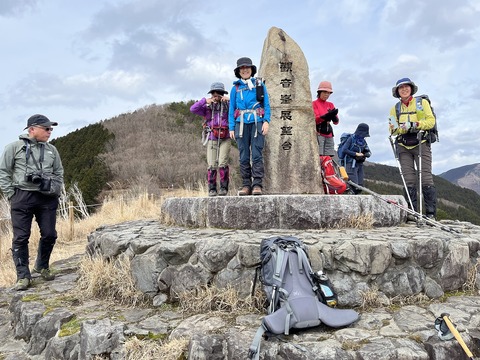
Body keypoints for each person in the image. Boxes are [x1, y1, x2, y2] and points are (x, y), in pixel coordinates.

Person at [0, 114, 64, 290]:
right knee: (21, 237)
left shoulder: (52, 150)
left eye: (51, 129)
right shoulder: (14, 148)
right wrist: (11, 194)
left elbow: (59, 171)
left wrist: (55, 188)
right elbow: (3, 172)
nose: (50, 131)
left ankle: (42, 265)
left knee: (50, 234)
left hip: (47, 197)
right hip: (22, 197)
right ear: (32, 129)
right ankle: (23, 277)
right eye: (46, 128)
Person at [389, 77, 437, 220]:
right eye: (401, 87)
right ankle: (412, 213)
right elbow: (392, 129)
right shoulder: (394, 109)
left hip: (421, 143)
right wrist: (401, 129)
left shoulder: (422, 103)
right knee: (408, 180)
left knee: (426, 178)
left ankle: (430, 213)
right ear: (397, 91)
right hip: (403, 146)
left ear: (411, 88)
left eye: (406, 86)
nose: (404, 89)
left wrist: (415, 125)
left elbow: (430, 121)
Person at [228, 57, 271, 196]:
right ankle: (246, 184)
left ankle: (257, 184)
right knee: (243, 155)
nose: (245, 70)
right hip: (240, 123)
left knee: (257, 154)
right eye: (242, 68)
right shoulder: (235, 88)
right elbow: (231, 108)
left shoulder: (259, 84)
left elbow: (266, 104)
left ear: (251, 69)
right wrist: (231, 127)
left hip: (257, 121)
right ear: (238, 71)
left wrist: (266, 121)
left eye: (247, 67)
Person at [190, 82, 231, 196]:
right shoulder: (207, 108)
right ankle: (212, 188)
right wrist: (204, 101)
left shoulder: (228, 105)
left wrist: (229, 100)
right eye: (214, 95)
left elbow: (239, 107)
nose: (216, 97)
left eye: (219, 94)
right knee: (211, 164)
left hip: (226, 136)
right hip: (212, 136)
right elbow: (193, 109)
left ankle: (224, 187)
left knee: (223, 162)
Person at [341, 123, 371, 194]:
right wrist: (355, 154)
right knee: (354, 185)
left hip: (359, 164)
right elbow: (344, 150)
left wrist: (365, 154)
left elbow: (368, 152)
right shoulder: (351, 139)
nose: (364, 136)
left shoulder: (363, 141)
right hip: (350, 164)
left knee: (359, 186)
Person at [312, 81, 339, 157]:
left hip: (329, 134)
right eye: (324, 92)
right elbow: (315, 120)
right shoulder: (314, 104)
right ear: (319, 92)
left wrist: (334, 117)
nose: (326, 94)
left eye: (328, 93)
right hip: (319, 133)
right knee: (319, 156)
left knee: (329, 157)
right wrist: (325, 117)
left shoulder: (330, 104)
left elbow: (336, 122)